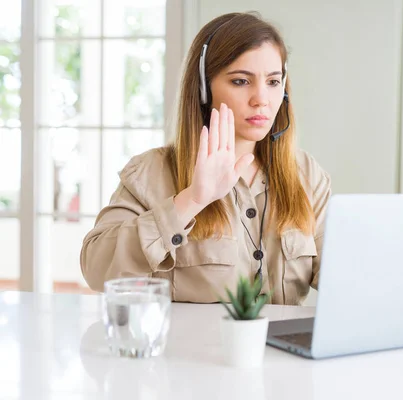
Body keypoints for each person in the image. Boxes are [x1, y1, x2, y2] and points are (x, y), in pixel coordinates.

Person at [80, 12, 332, 305]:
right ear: (203, 89)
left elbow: (345, 279)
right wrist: (192, 200)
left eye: (274, 82)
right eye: (240, 81)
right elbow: (96, 270)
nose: (261, 98)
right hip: (192, 351)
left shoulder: (307, 175)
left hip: (281, 353)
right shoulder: (151, 172)